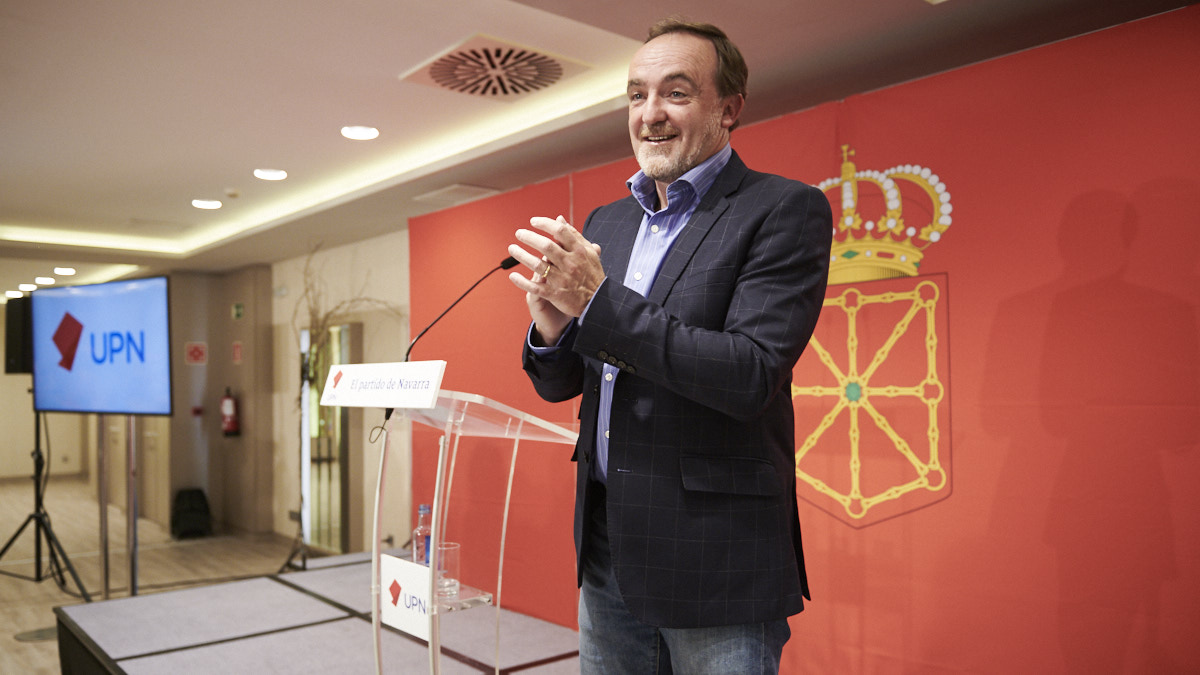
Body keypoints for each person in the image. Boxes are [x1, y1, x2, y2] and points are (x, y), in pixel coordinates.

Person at [507, 18, 831, 673]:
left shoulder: (782, 211)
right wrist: (551, 328)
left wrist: (598, 304)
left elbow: (748, 373)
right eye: (635, 95)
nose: (649, 114)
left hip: (719, 561)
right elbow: (563, 382)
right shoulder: (607, 223)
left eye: (676, 93)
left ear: (728, 109)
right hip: (606, 548)